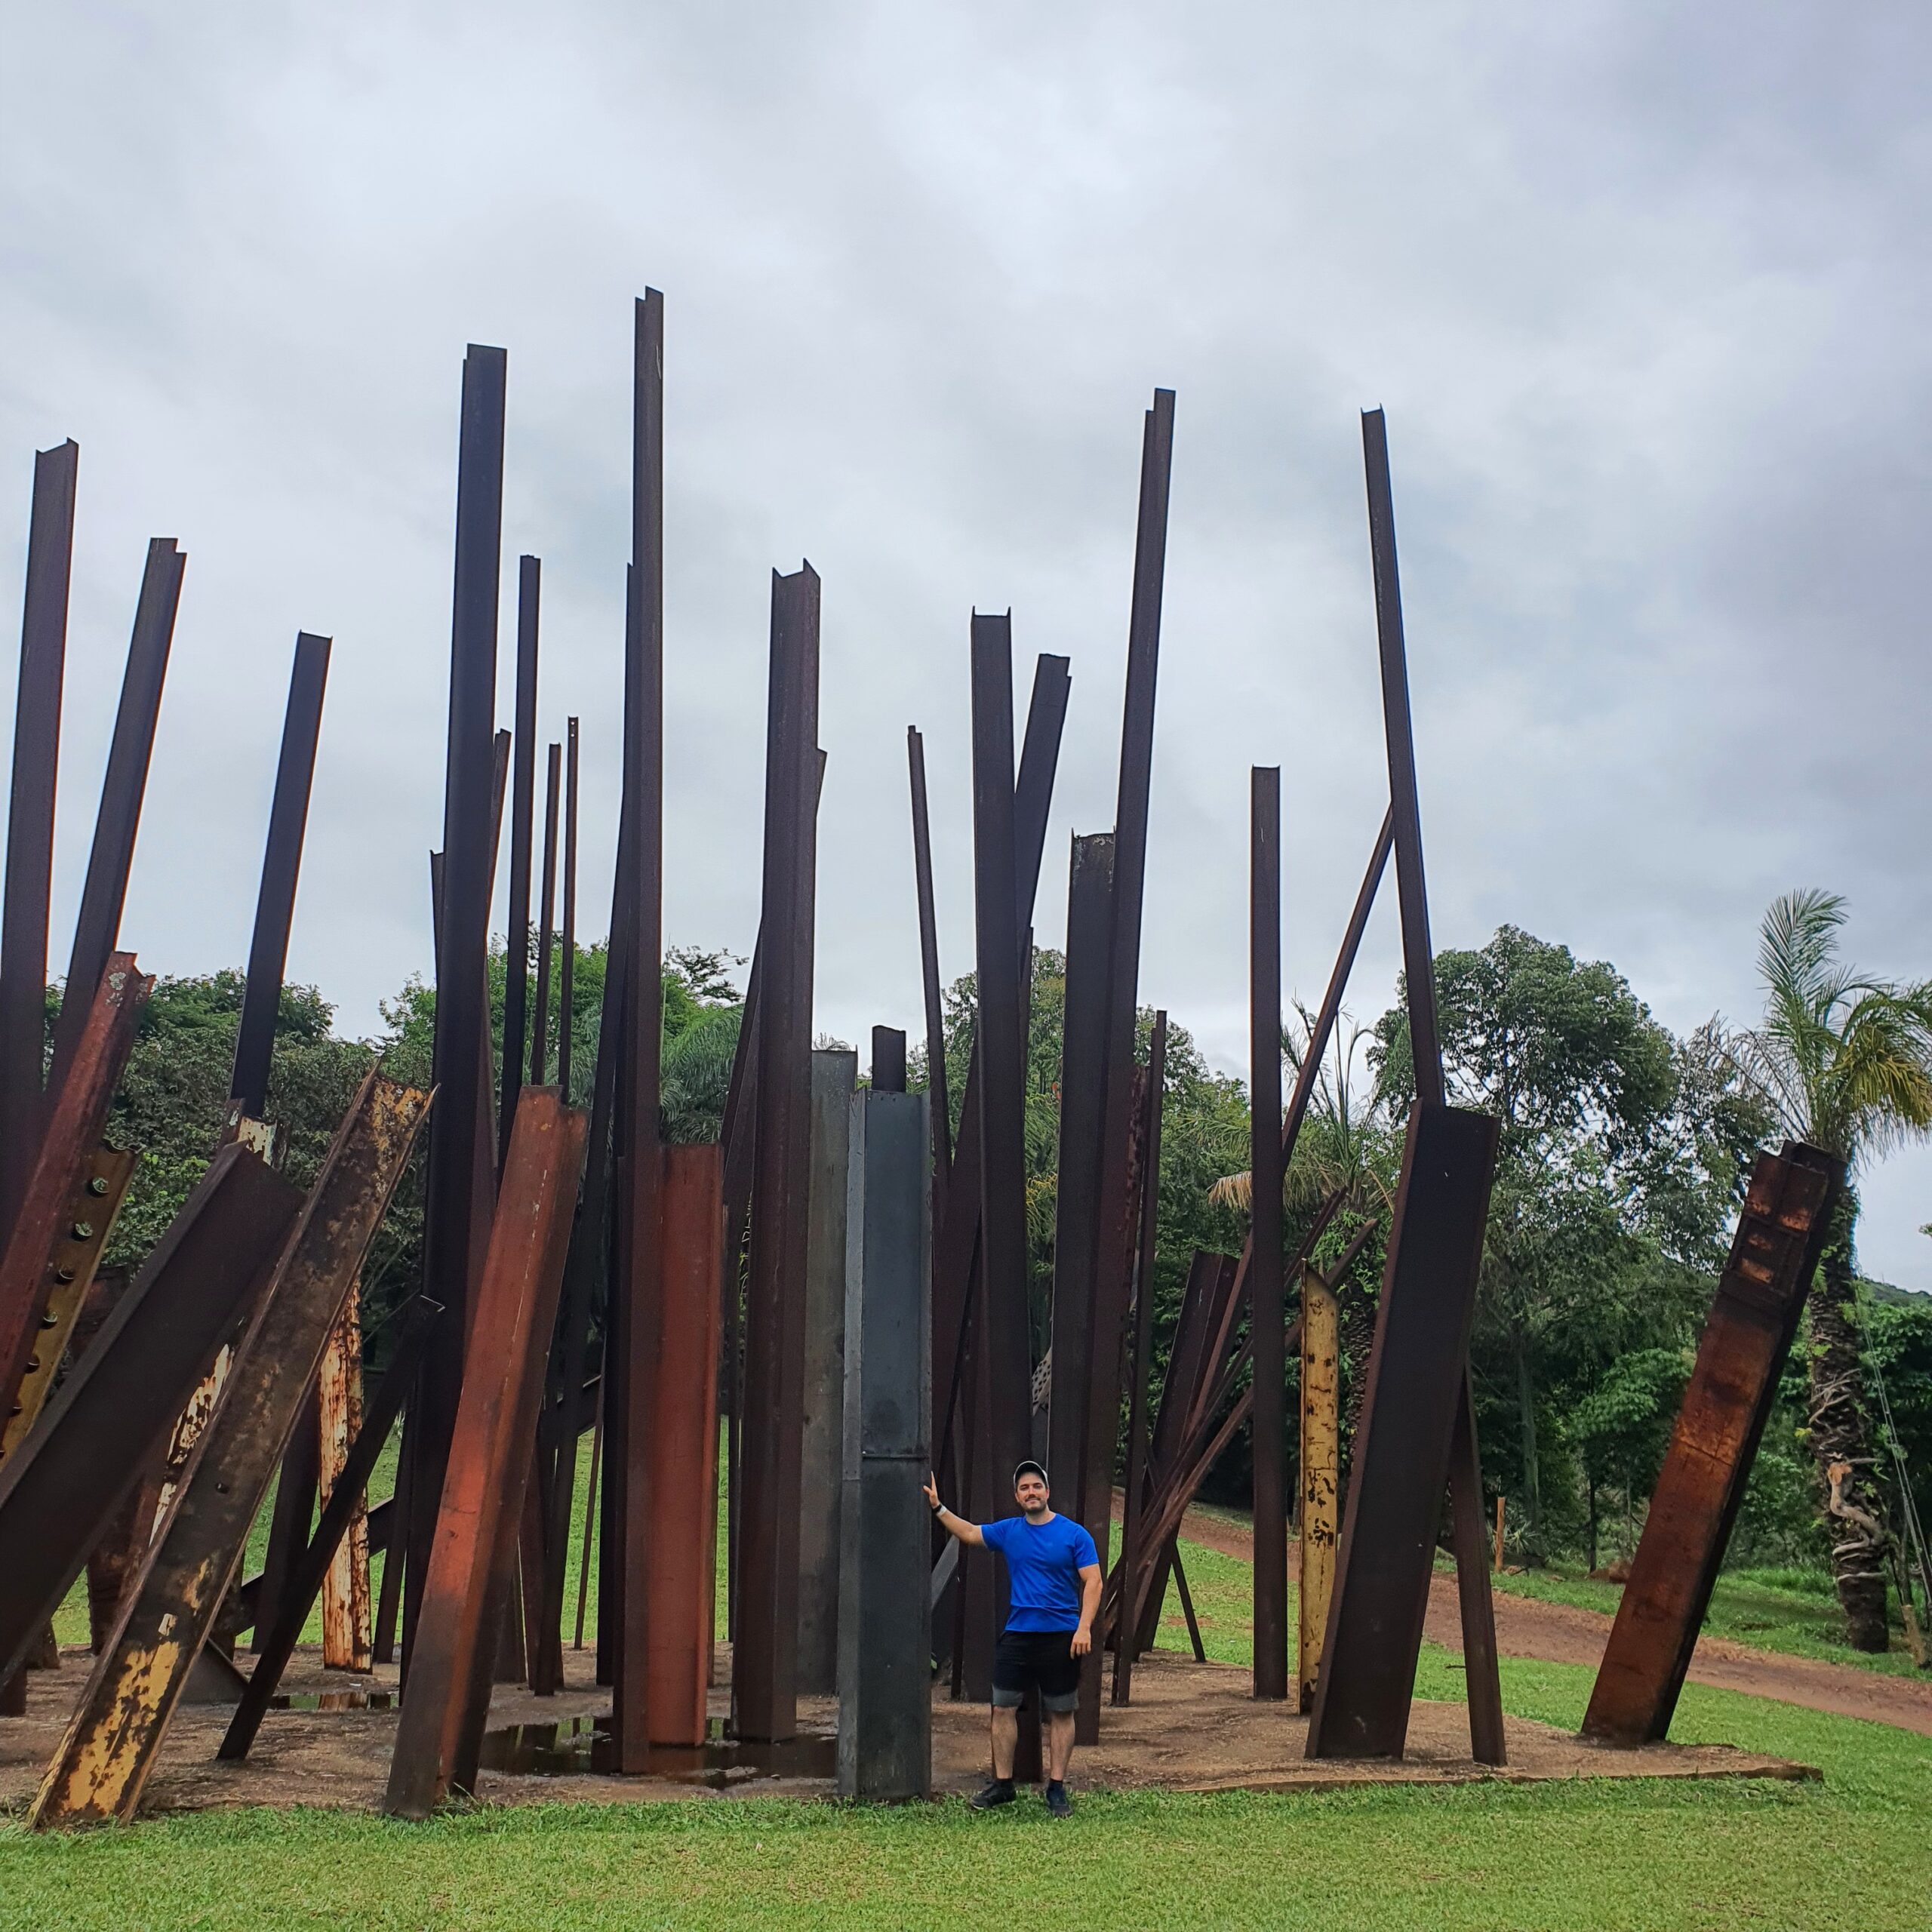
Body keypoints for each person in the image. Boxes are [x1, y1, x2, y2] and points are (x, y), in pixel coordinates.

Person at [924, 1459, 1102, 1818]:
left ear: (1047, 1492)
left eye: (1036, 1486)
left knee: (1061, 1711)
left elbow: (1093, 1581)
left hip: (1061, 1636)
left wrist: (1084, 1627)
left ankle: (1056, 1789)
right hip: (1018, 1634)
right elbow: (972, 1534)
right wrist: (938, 1508)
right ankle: (1003, 1785)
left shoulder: (1075, 1535)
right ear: (1017, 1497)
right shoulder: (1009, 1531)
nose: (1031, 1492)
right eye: (1024, 1488)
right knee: (1002, 1707)